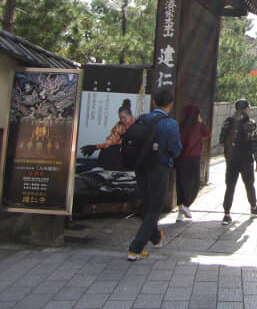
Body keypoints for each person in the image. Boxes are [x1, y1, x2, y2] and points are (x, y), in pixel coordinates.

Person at [127, 89, 182, 261]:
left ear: (153, 103)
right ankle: (135, 248)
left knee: (148, 204)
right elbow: (176, 149)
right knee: (154, 209)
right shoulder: (170, 124)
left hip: (140, 167)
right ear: (171, 105)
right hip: (159, 168)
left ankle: (156, 237)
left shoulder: (142, 119)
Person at [219, 99, 257, 225]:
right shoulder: (250, 123)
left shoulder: (228, 121)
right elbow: (254, 143)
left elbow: (222, 139)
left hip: (231, 159)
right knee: (249, 184)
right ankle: (254, 207)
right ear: (246, 109)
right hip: (245, 159)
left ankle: (226, 214)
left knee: (230, 186)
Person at [175, 104, 210, 222]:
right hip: (193, 158)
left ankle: (180, 211)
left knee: (180, 184)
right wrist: (201, 122)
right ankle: (185, 205)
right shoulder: (198, 126)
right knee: (193, 184)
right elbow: (207, 134)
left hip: (180, 158)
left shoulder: (180, 126)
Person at [81, 99, 136, 170]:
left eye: (124, 118)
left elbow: (121, 142)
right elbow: (111, 139)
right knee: (107, 149)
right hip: (123, 150)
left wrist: (97, 147)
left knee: (115, 148)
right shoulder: (119, 125)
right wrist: (96, 147)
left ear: (130, 116)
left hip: (134, 152)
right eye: (120, 118)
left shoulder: (136, 124)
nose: (122, 120)